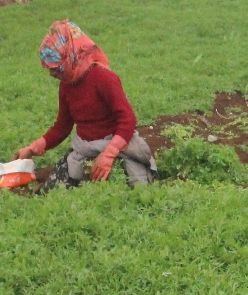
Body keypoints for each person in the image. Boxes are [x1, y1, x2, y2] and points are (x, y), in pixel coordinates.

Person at [16, 20, 156, 188]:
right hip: (84, 149)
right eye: (50, 69)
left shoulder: (103, 78)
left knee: (124, 189)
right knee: (52, 190)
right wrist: (32, 148)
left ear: (72, 56)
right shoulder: (67, 84)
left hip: (114, 145)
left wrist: (108, 155)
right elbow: (62, 126)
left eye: (57, 68)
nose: (52, 74)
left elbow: (127, 119)